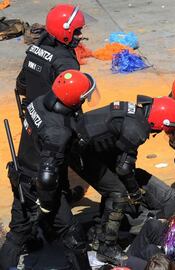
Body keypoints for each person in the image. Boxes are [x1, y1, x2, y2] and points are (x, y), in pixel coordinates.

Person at [0, 70, 96, 269]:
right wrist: (47, 205)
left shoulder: (39, 102)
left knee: (17, 233)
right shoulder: (58, 131)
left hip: (20, 175)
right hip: (38, 187)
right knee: (74, 235)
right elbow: (46, 178)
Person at [69, 96, 175, 264]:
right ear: (160, 122)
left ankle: (100, 232)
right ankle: (107, 247)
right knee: (118, 193)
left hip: (84, 143)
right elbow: (123, 168)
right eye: (168, 127)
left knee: (113, 184)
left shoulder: (136, 114)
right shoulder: (138, 130)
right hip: (80, 152)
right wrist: (134, 191)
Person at [15, 3, 87, 204]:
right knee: (57, 159)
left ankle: (49, 194)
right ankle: (57, 201)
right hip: (54, 119)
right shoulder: (65, 62)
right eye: (77, 31)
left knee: (31, 159)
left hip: (32, 114)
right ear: (64, 32)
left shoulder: (35, 48)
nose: (80, 36)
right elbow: (74, 98)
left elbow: (21, 84)